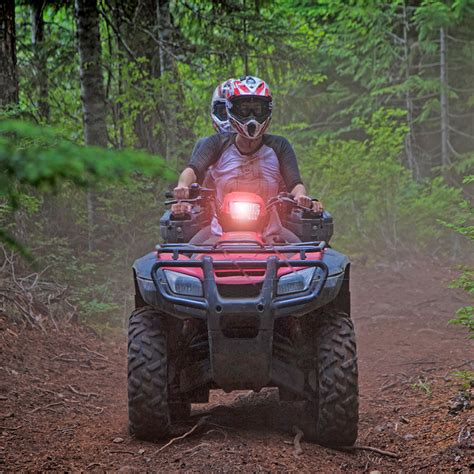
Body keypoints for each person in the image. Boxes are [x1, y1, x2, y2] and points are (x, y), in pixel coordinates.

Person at [173, 76, 322, 243]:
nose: (251, 116)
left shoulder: (280, 145)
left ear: (268, 109)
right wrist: (182, 185)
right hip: (218, 232)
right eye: (244, 109)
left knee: (313, 257)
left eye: (257, 109)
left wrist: (301, 196)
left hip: (272, 232)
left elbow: (295, 183)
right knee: (183, 258)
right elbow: (193, 169)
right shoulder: (217, 143)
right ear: (232, 109)